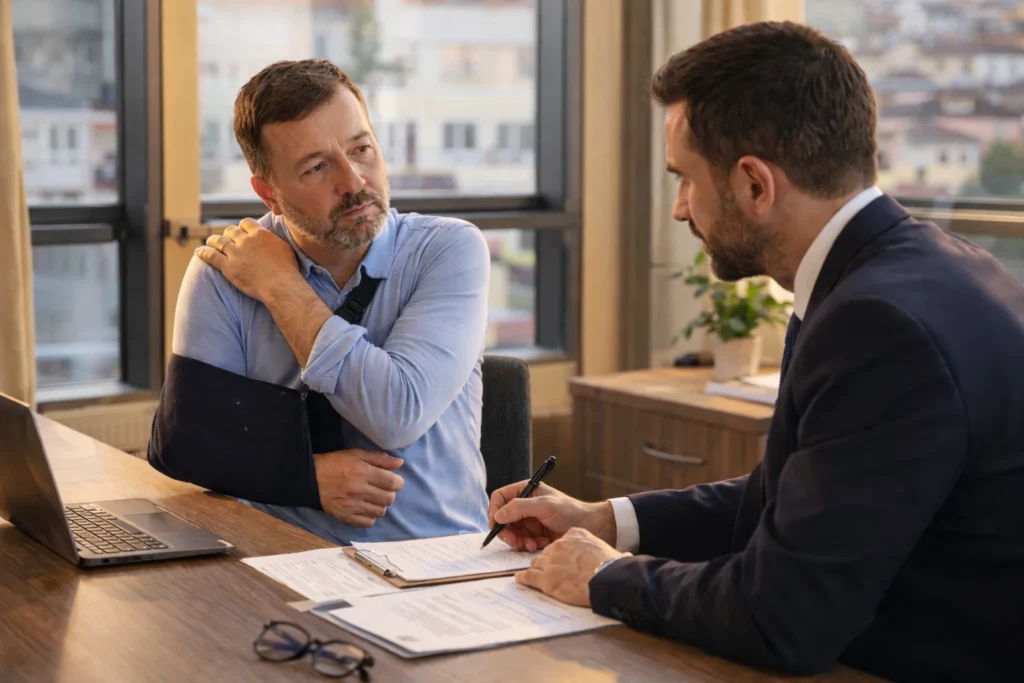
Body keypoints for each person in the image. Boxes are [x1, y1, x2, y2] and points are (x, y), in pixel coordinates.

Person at [488, 21, 1024, 682]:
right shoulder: (928, 268)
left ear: (754, 186)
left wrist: (608, 577)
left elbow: (781, 616)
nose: (681, 209)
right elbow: (808, 490)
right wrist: (604, 518)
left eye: (684, 179)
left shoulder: (877, 324)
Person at [148, 59, 490, 545]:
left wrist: (281, 287)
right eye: (317, 167)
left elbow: (397, 413)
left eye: (362, 149)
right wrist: (306, 478)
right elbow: (183, 444)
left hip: (435, 564)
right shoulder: (224, 268)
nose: (354, 182)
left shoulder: (449, 249)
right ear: (269, 193)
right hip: (277, 559)